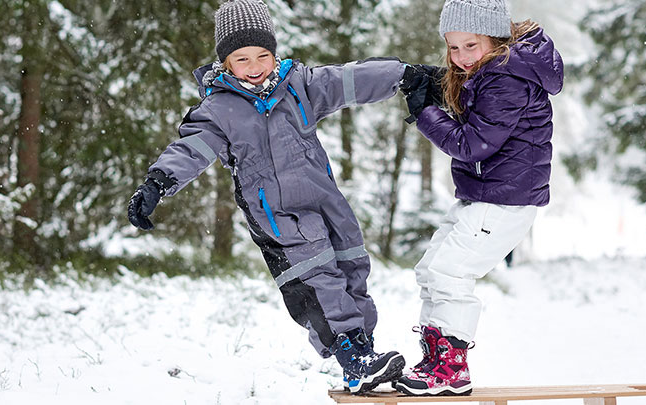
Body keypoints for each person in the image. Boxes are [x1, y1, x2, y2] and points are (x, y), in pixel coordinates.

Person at [125, 0, 425, 394]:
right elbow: (191, 148)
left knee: (353, 268)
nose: (254, 66)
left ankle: (363, 353)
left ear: (274, 53)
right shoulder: (219, 109)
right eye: (242, 58)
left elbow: (347, 80)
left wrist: (405, 75)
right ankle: (351, 354)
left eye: (262, 55)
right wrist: (157, 183)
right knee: (319, 279)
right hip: (278, 215)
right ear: (226, 62)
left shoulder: (297, 86)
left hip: (324, 201)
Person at [394, 0, 564, 396]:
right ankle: (436, 359)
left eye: (470, 46)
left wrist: (424, 113)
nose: (461, 57)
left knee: (450, 272)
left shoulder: (506, 79)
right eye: (453, 48)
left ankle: (451, 369)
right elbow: (478, 102)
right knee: (433, 268)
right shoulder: (497, 70)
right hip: (487, 195)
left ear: (496, 38)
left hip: (505, 201)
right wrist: (437, 81)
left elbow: (472, 144)